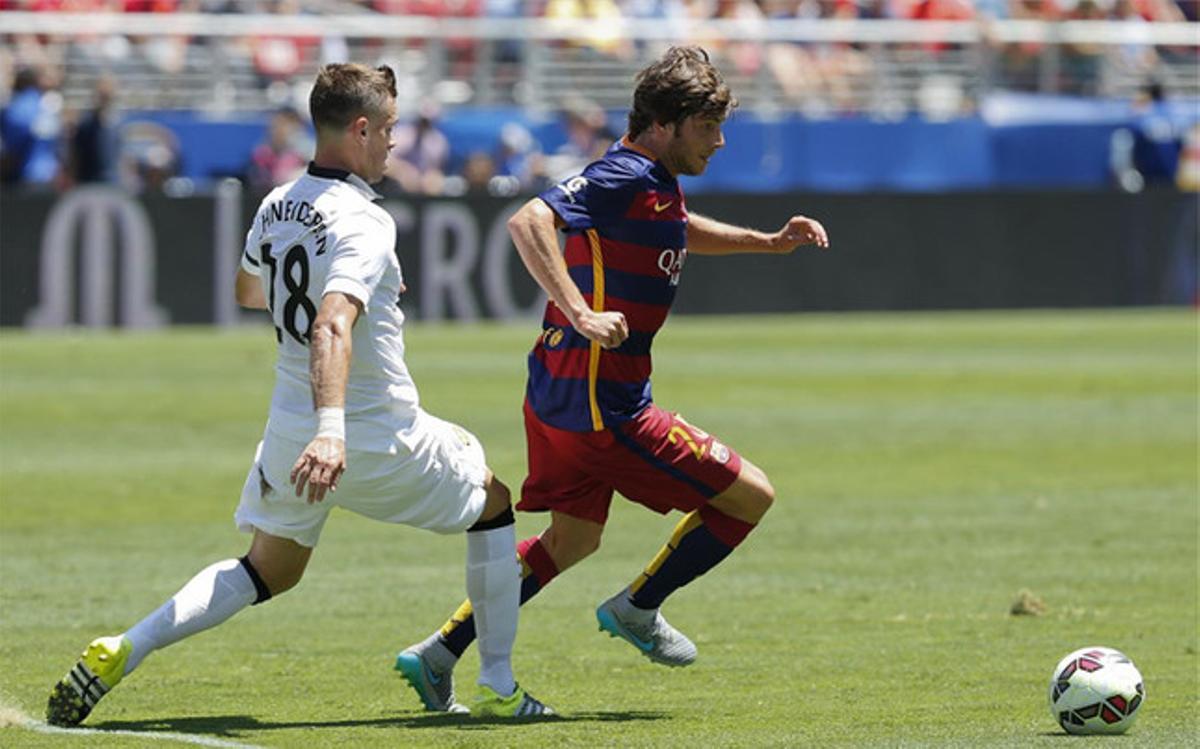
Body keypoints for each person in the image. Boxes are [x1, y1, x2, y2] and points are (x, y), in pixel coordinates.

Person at [45, 62, 551, 726]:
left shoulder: (277, 201)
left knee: (268, 569)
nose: (395, 142)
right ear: (361, 128)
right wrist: (334, 427)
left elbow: (248, 291)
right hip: (366, 433)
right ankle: (497, 683)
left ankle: (124, 647)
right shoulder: (366, 222)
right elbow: (333, 321)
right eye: (390, 129)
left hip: (288, 429)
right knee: (493, 504)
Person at [394, 46, 829, 712]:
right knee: (749, 497)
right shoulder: (625, 172)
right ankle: (637, 606)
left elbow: (679, 230)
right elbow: (528, 219)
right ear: (668, 121)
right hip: (606, 404)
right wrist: (582, 311)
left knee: (575, 537)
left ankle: (439, 652)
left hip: (559, 390)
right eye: (708, 126)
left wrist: (767, 242)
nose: (718, 141)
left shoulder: (650, 181)